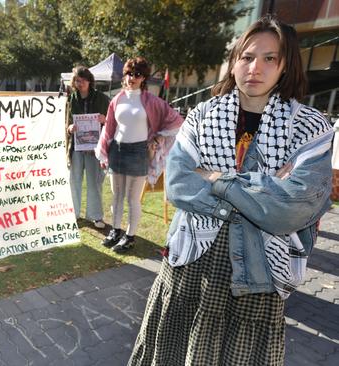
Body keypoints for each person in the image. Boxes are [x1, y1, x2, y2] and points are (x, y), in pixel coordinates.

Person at [128, 16, 333, 365]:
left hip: (259, 274)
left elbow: (291, 210)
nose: (255, 67)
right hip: (191, 264)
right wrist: (265, 189)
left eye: (270, 58)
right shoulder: (203, 115)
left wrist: (215, 179)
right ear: (234, 61)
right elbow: (178, 184)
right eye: (247, 56)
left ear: (285, 67)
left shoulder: (309, 127)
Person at [95, 57, 183, 253]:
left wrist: (157, 138)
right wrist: (104, 153)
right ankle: (115, 231)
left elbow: (176, 121)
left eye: (137, 74)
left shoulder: (152, 101)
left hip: (138, 153)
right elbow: (109, 128)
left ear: (144, 78)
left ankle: (130, 236)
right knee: (116, 196)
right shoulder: (117, 99)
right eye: (129, 73)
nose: (131, 78)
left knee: (132, 199)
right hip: (116, 151)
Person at [65, 66, 109, 228]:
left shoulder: (102, 99)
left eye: (83, 80)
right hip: (76, 147)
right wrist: (70, 128)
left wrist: (104, 120)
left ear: (89, 81)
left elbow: (112, 122)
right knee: (74, 180)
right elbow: (66, 122)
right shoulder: (71, 99)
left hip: (94, 149)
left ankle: (95, 216)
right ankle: (74, 213)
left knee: (94, 182)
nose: (80, 82)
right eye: (77, 80)